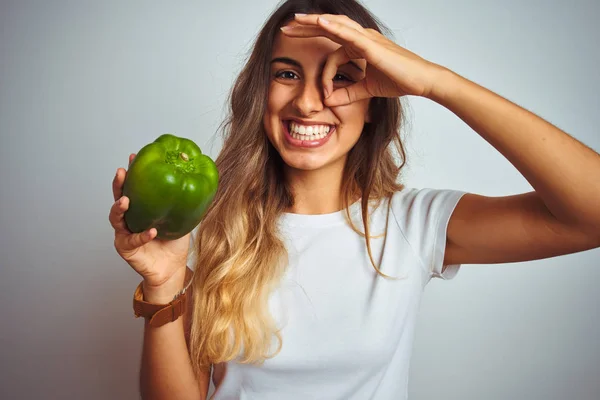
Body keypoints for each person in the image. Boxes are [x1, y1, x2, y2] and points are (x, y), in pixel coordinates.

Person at [108, 0, 600, 399]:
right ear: (261, 93)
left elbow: (591, 215)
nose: (307, 102)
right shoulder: (208, 222)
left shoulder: (415, 223)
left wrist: (434, 82)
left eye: (342, 77)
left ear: (374, 103)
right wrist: (165, 282)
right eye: (286, 74)